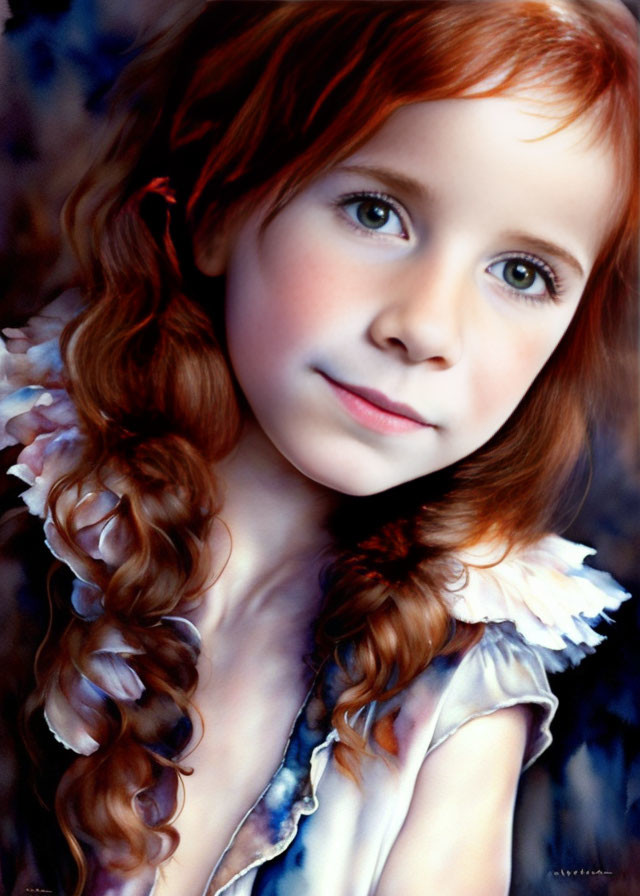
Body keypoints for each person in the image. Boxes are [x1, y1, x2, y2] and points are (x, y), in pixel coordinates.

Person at [0, 1, 637, 894]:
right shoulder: (34, 494)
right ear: (223, 205)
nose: (425, 327)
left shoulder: (455, 694)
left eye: (521, 273)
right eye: (375, 212)